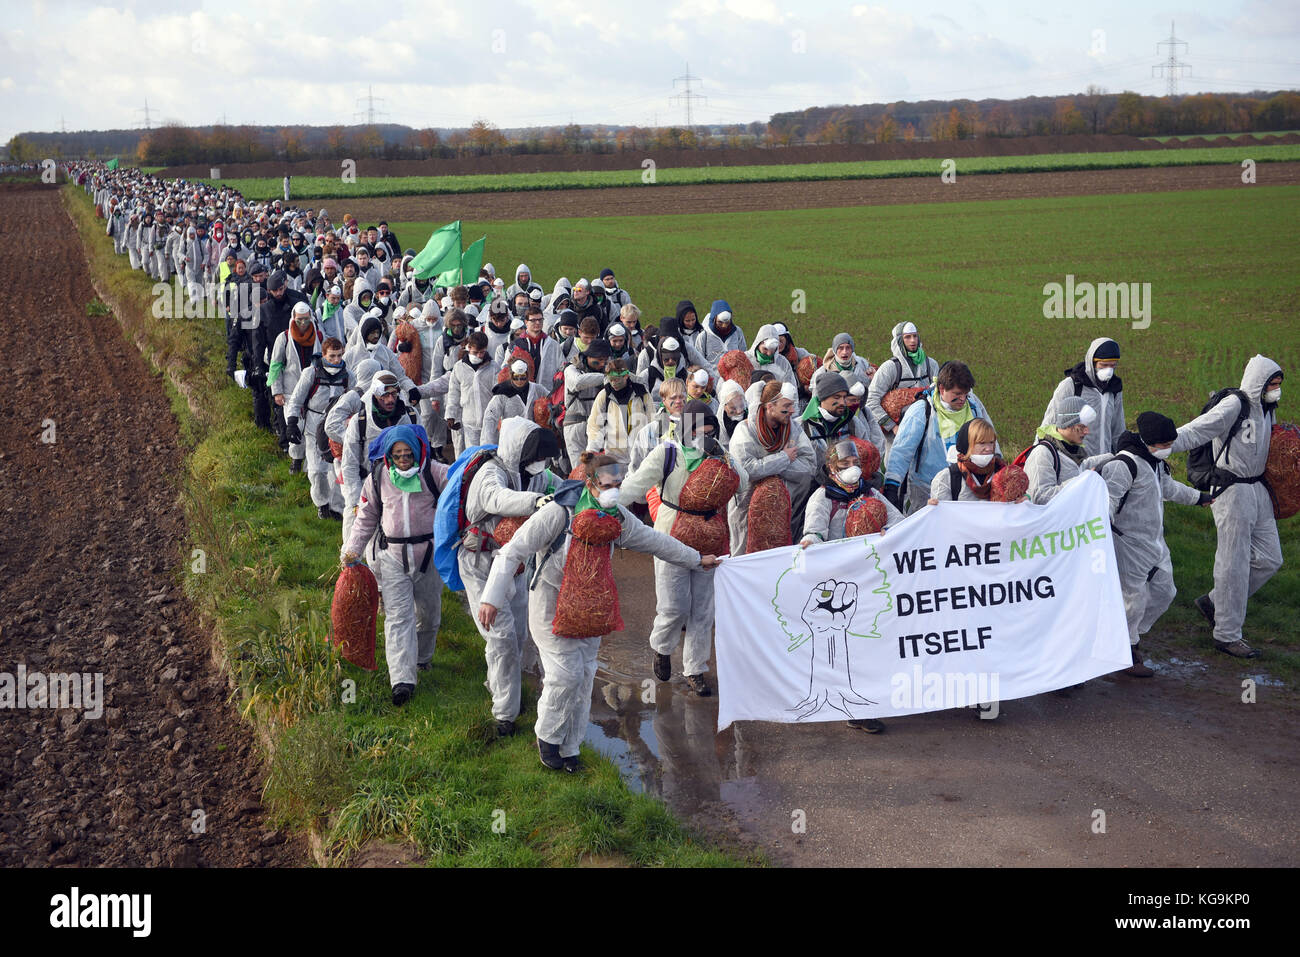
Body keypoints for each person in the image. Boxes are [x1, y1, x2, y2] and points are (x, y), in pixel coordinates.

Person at [478, 454, 720, 772]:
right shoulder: (558, 512)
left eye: (619, 485)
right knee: (565, 674)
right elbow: (514, 550)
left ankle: (570, 746)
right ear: (590, 484)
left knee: (585, 675)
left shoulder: (615, 517)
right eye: (609, 485)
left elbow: (655, 541)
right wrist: (491, 598)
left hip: (591, 608)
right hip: (551, 604)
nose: (615, 491)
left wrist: (695, 558)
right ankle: (547, 738)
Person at [621, 401, 746, 696]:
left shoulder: (718, 454)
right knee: (674, 607)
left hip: (710, 535)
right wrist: (602, 503)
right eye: (701, 431)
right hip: (671, 534)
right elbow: (635, 486)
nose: (706, 435)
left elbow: (744, 484)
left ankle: (695, 669)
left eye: (710, 430)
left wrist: (726, 458)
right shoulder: (667, 453)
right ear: (687, 428)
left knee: (703, 610)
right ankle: (662, 647)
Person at [1169, 356, 1284, 659]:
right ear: (1259, 382)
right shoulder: (1235, 404)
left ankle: (1214, 602)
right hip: (1231, 490)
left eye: (1278, 385)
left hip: (1258, 490)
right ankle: (1227, 635)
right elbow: (1197, 431)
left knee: (1271, 559)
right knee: (1233, 565)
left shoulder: (1267, 410)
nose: (1276, 390)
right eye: (1272, 384)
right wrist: (1156, 445)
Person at [460, 419, 559, 735]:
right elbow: (496, 499)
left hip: (516, 564)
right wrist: (536, 502)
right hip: (481, 562)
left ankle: (499, 686)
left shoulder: (536, 475)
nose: (540, 464)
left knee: (516, 635)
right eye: (536, 457)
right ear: (520, 451)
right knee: (500, 635)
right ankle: (505, 714)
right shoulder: (490, 473)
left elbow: (560, 485)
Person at [341, 424, 452, 705]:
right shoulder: (378, 478)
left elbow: (458, 496)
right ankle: (402, 681)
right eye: (398, 455)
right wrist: (352, 549)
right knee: (398, 619)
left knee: (428, 615)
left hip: (429, 556)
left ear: (417, 452)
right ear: (389, 456)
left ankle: (422, 659)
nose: (403, 460)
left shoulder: (435, 472)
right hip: (391, 556)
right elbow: (366, 517)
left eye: (408, 454)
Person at [799, 437, 903, 733]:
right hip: (838, 583)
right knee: (849, 643)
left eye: (855, 464)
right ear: (831, 469)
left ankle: (871, 697)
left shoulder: (871, 493)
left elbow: (899, 521)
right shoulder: (822, 499)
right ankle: (855, 708)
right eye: (844, 465)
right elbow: (814, 533)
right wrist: (811, 543)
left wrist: (885, 529)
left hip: (869, 577)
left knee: (871, 640)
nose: (851, 470)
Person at [1101, 412, 1211, 676]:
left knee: (1165, 592)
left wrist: (1199, 498)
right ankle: (1126, 650)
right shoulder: (1124, 466)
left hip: (1154, 542)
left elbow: (1168, 489)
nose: (1168, 449)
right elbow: (1108, 504)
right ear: (1150, 441)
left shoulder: (1154, 463)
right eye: (1164, 445)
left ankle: (1124, 635)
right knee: (1133, 599)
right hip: (1127, 543)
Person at [883, 361, 994, 514]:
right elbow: (901, 451)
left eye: (965, 394)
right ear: (942, 389)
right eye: (957, 394)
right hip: (927, 491)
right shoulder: (922, 411)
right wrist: (891, 486)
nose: (962, 399)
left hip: (967, 488)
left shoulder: (973, 406)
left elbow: (989, 437)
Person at [727, 380, 816, 554]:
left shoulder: (793, 429)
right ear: (770, 406)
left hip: (784, 512)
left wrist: (767, 464)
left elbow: (809, 466)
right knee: (744, 558)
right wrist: (783, 458)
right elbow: (746, 470)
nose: (792, 411)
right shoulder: (744, 430)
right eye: (787, 406)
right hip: (747, 513)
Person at [286, 338, 354, 519]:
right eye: (332, 356)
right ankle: (322, 503)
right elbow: (296, 399)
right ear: (324, 355)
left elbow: (355, 401)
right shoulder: (311, 373)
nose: (336, 360)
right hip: (313, 427)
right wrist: (292, 422)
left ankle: (337, 507)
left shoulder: (348, 376)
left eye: (339, 355)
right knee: (317, 471)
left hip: (337, 430)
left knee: (338, 470)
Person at [1040, 338, 1125, 456]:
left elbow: (1118, 429)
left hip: (1105, 464)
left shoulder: (1114, 390)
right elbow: (1049, 423)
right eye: (1104, 365)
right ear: (1092, 362)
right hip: (1076, 462)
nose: (1108, 371)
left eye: (1112, 366)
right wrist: (1039, 453)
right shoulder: (1071, 385)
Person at [866, 321, 941, 452]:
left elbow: (941, 394)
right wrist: (893, 427)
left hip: (928, 432)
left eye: (915, 336)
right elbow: (871, 400)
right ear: (900, 340)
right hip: (898, 436)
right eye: (907, 337)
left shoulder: (931, 365)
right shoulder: (890, 368)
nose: (912, 341)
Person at [1023, 396, 1109, 504]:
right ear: (1067, 424)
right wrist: (1080, 482)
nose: (1087, 431)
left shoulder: (1073, 451)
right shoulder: (1043, 453)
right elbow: (1040, 497)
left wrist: (1114, 456)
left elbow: (1082, 467)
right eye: (1081, 427)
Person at [269, 302, 323, 473]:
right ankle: (296, 458)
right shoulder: (284, 338)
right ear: (293, 318)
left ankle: (311, 463)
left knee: (312, 428)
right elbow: (275, 364)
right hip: (291, 390)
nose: (303, 324)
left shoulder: (318, 336)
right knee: (295, 427)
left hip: (314, 390)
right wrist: (276, 391)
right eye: (299, 320)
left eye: (306, 320)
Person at [800, 371, 885, 473]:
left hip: (849, 485)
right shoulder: (801, 426)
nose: (842, 402)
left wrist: (875, 477)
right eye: (837, 397)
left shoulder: (853, 423)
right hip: (812, 487)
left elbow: (868, 457)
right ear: (823, 397)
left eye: (844, 397)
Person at [927, 419, 1022, 503]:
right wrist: (934, 507)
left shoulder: (1006, 475)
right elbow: (942, 518)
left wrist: (1024, 500)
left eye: (991, 442)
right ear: (967, 446)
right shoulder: (947, 478)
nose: (988, 448)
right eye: (982, 443)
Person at [445, 330, 499, 456]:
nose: (479, 356)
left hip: (490, 421)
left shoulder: (494, 367)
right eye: (476, 352)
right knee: (473, 457)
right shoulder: (459, 367)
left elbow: (499, 396)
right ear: (468, 347)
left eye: (482, 352)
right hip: (469, 421)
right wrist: (451, 415)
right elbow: (454, 393)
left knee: (490, 455)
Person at [586, 358, 653, 459]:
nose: (613, 383)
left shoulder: (642, 393)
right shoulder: (604, 395)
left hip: (640, 454)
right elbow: (594, 425)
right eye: (610, 379)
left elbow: (652, 420)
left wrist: (653, 447)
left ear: (626, 376)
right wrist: (592, 449)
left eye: (616, 379)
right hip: (614, 456)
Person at [483, 359, 548, 445]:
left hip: (533, 439)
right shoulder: (502, 393)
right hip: (511, 441)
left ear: (527, 375)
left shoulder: (537, 389)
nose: (519, 381)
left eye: (523, 377)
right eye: (516, 377)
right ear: (511, 375)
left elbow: (551, 400)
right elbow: (490, 418)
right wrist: (488, 444)